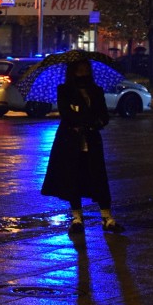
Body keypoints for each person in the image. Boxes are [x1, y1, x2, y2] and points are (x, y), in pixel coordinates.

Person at [41, 59, 125, 234]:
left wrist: (94, 122)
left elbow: (103, 115)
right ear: (73, 70)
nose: (83, 71)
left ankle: (107, 217)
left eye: (86, 67)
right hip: (70, 142)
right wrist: (86, 120)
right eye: (79, 68)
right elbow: (67, 114)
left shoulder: (95, 90)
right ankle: (77, 218)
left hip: (91, 140)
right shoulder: (64, 90)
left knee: (98, 178)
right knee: (74, 178)